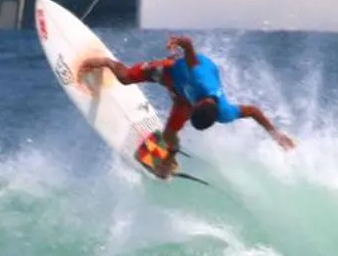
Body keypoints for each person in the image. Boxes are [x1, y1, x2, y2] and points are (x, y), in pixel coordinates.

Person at [76, 35, 294, 178]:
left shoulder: (224, 113)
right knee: (124, 78)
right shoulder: (199, 76)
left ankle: (168, 158)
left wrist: (275, 134)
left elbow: (253, 112)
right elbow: (189, 44)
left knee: (171, 131)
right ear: (198, 105)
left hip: (184, 95)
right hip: (174, 72)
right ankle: (106, 62)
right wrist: (177, 42)